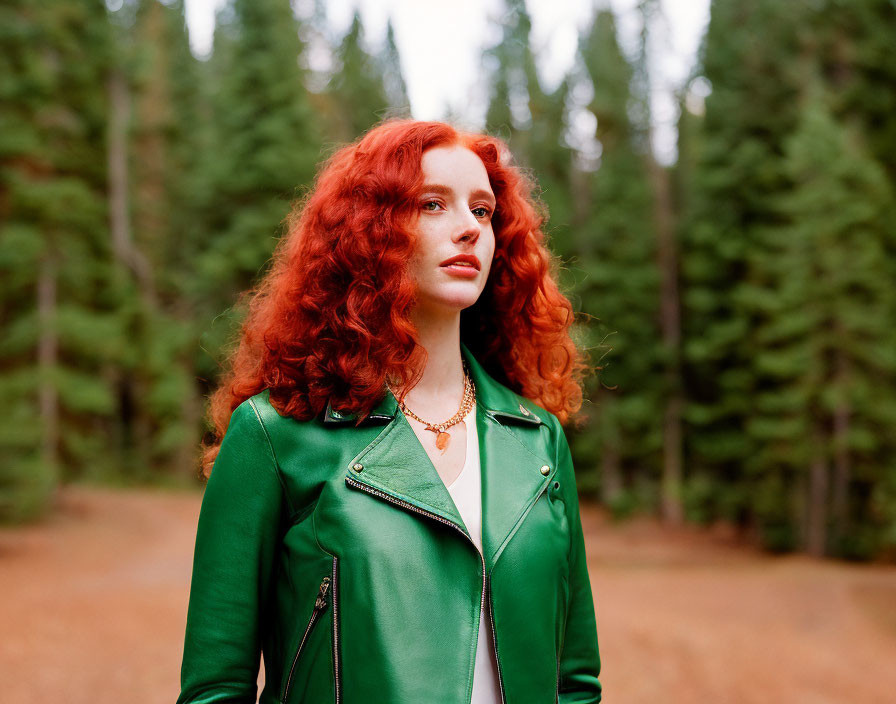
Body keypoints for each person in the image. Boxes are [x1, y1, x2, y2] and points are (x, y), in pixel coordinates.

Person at [176, 119, 602, 704]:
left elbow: (573, 682)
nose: (468, 230)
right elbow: (214, 688)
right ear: (369, 231)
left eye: (482, 211)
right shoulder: (276, 435)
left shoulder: (538, 441)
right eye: (433, 205)